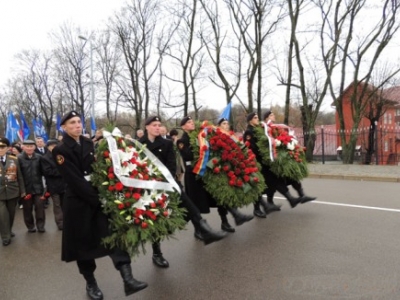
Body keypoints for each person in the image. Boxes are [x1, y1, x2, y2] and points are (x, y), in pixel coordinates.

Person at [52, 111, 147, 300]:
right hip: (79, 202)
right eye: (72, 123)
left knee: (114, 235)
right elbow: (75, 180)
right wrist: (98, 198)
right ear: (64, 127)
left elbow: (101, 168)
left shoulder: (89, 143)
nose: (78, 125)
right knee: (83, 247)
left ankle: (128, 279)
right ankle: (91, 284)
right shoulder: (60, 151)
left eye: (79, 122)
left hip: (98, 195)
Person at [139, 116, 227, 268]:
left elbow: (172, 164)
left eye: (159, 125)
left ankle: (204, 228)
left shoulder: (166, 143)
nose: (157, 127)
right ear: (146, 127)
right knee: (154, 219)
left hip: (168, 182)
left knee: (187, 201)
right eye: (154, 125)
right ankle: (157, 253)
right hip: (149, 187)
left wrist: (167, 180)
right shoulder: (139, 145)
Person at [178, 116, 252, 236]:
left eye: (192, 121)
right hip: (193, 174)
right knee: (194, 203)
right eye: (188, 122)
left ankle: (228, 220)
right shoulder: (182, 141)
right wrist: (200, 148)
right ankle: (198, 230)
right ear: (183, 127)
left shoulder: (201, 135)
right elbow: (188, 156)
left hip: (206, 170)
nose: (191, 123)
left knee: (218, 195)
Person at [243, 112, 302, 218]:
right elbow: (251, 148)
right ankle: (257, 209)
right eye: (255, 117)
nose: (257, 119)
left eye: (257, 117)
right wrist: (264, 152)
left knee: (274, 180)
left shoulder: (259, 129)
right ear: (250, 120)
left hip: (266, 162)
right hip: (257, 163)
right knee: (259, 186)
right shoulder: (249, 132)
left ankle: (287, 200)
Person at [262, 110, 316, 208]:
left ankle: (302, 195)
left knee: (291, 177)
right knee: (274, 182)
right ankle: (271, 202)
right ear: (266, 118)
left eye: (273, 114)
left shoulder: (275, 127)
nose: (273, 115)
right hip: (273, 159)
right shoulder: (265, 128)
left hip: (281, 156)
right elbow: (269, 142)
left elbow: (281, 137)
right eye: (271, 115)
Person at [0, 137, 25, 246]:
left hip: (12, 191)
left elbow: (19, 176)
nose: (0, 149)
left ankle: (8, 231)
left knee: (11, 214)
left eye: (2, 147)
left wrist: (22, 190)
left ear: (7, 148)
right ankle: (5, 237)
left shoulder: (14, 159)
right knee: (2, 216)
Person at [18, 139, 46, 232]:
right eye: (27, 146)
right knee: (27, 209)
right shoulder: (19, 158)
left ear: (34, 147)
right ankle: (30, 226)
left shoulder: (39, 157)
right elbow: (19, 175)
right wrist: (22, 191)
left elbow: (44, 172)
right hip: (26, 189)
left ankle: (40, 226)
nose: (29, 148)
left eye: (31, 146)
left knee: (40, 208)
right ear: (23, 147)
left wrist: (45, 189)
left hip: (38, 188)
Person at [40, 139, 65, 230]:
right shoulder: (45, 158)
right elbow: (48, 172)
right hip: (54, 185)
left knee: (65, 204)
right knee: (57, 205)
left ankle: (67, 221)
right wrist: (62, 172)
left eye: (56, 146)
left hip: (64, 184)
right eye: (52, 146)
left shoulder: (61, 156)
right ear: (48, 147)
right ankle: (60, 223)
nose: (54, 147)